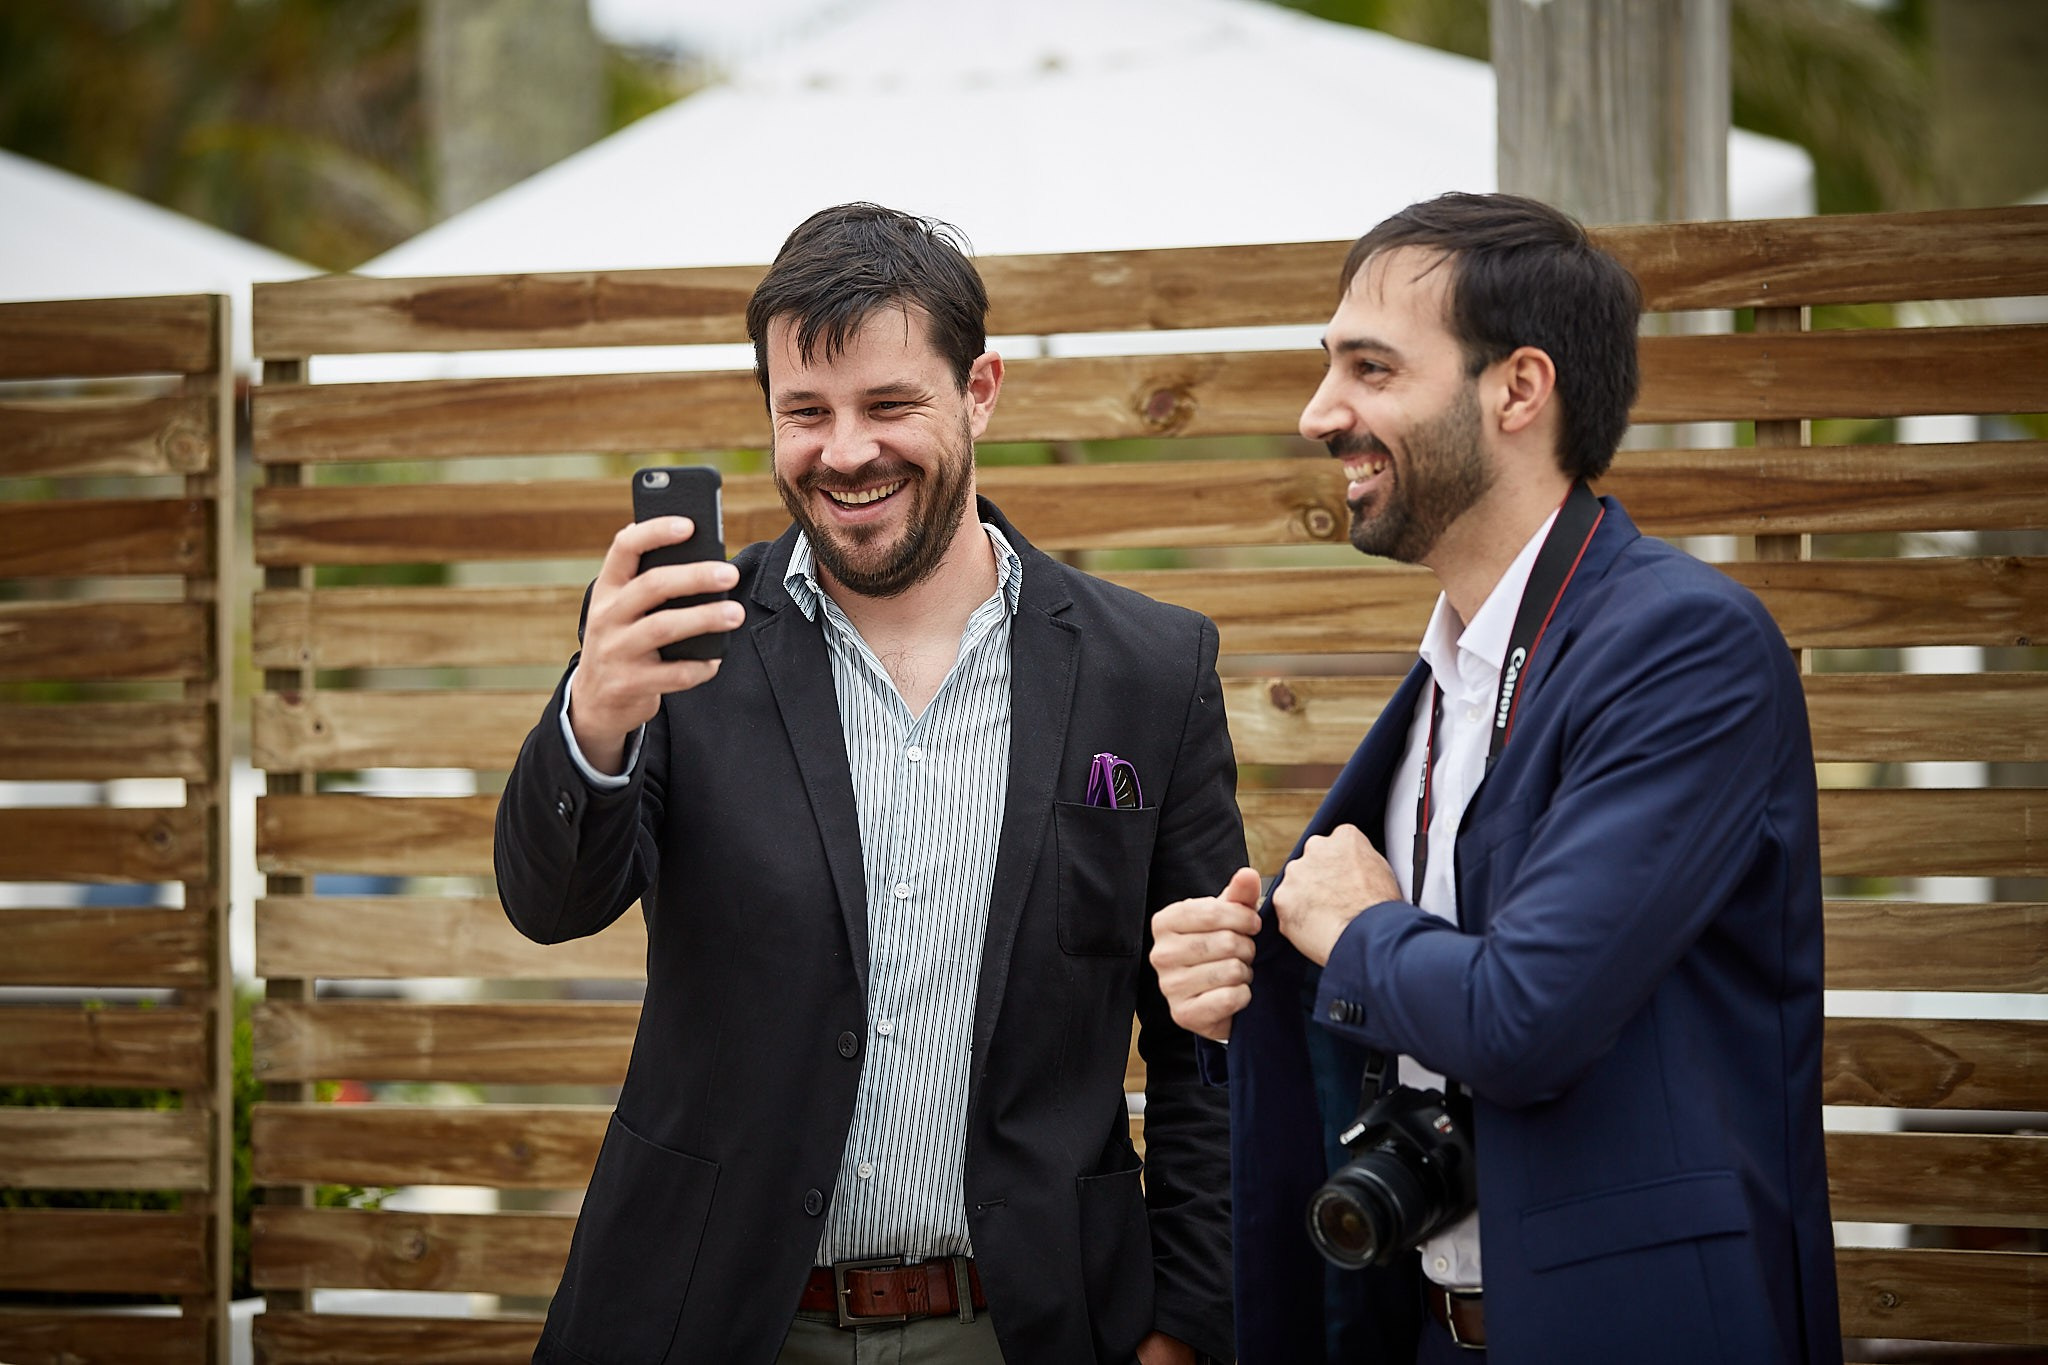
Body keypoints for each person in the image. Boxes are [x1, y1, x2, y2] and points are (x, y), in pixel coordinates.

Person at [495, 202, 1240, 1365]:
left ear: (979, 390)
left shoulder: (1149, 671)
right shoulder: (674, 643)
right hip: (714, 1318)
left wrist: (1188, 1328)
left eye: (889, 405)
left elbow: (1207, 1045)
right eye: (806, 413)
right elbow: (549, 906)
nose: (845, 452)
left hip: (1030, 1326)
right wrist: (592, 714)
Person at [1150, 193, 1842, 1364]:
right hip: (1423, 1326)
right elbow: (1400, 1013)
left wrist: (1351, 929)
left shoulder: (1687, 647)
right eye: (1328, 368)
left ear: (1517, 390)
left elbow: (1523, 1016)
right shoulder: (1446, 678)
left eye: (1369, 369)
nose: (1320, 413)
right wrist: (1242, 967)